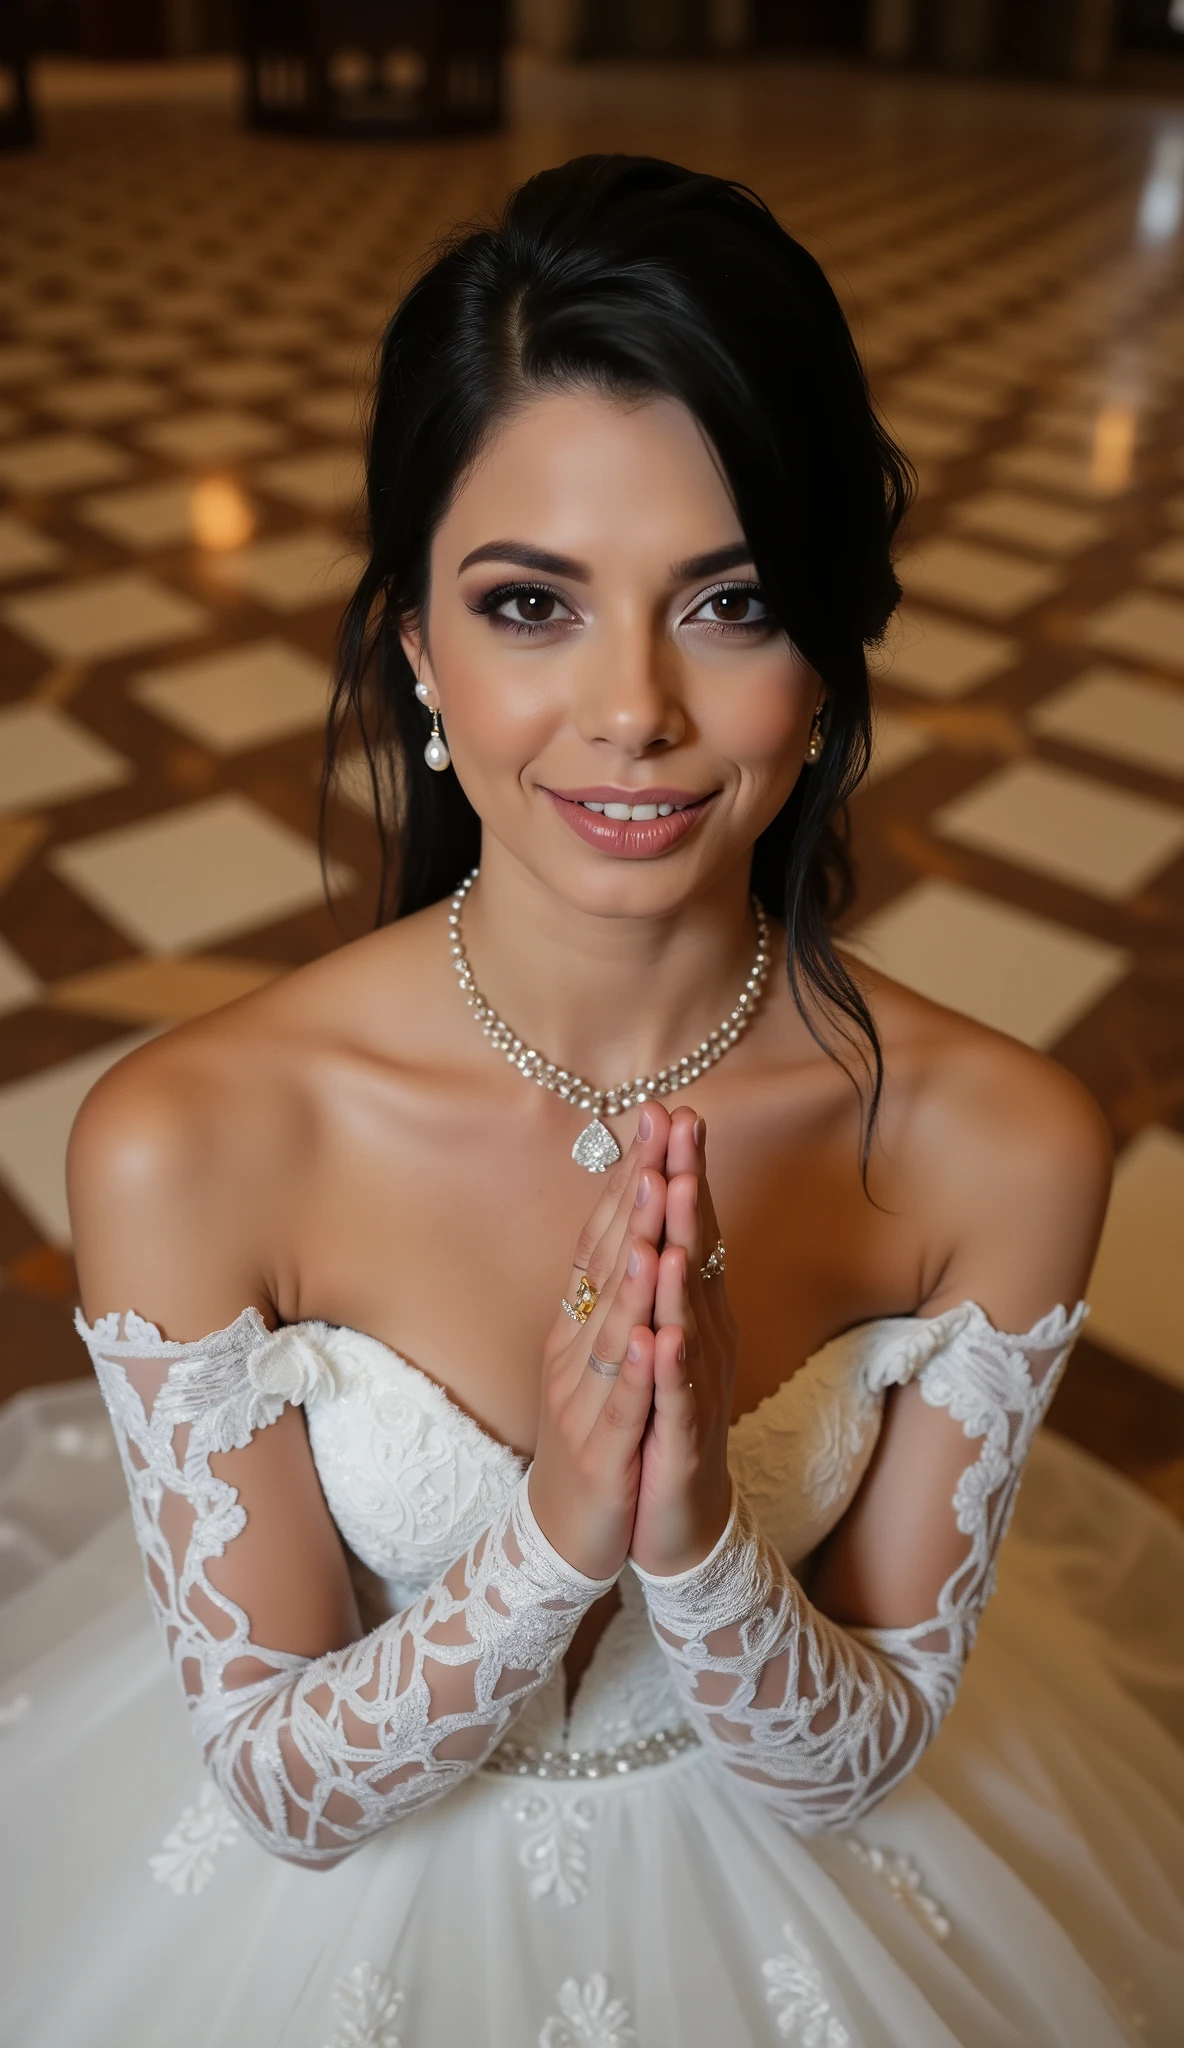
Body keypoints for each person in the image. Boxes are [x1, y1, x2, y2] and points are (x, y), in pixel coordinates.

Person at [1, 155, 1181, 2048]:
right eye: (532, 603)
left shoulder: (1008, 1144)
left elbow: (846, 1764)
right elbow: (283, 1793)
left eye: (729, 603)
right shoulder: (195, 1140)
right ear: (414, 643)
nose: (632, 708)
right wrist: (559, 1522)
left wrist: (700, 1528)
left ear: (828, 660)